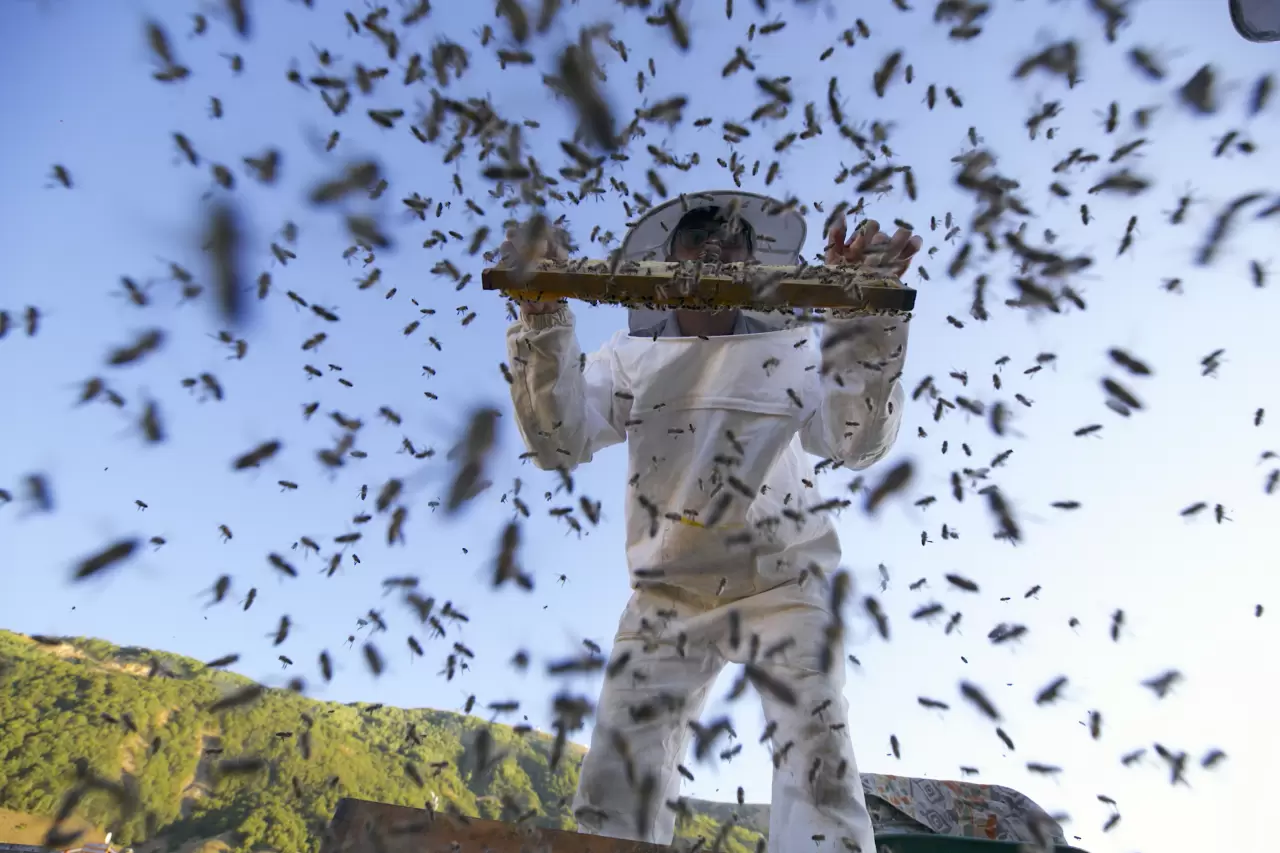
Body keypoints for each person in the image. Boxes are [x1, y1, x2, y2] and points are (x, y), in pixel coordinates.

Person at [503, 191, 921, 853]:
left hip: (783, 580)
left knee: (816, 747)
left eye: (732, 245)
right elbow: (557, 439)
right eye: (699, 243)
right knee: (620, 773)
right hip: (667, 589)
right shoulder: (629, 355)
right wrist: (542, 316)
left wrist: (865, 320)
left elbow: (854, 437)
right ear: (668, 262)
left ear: (756, 266)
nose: (716, 256)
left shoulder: (791, 345)